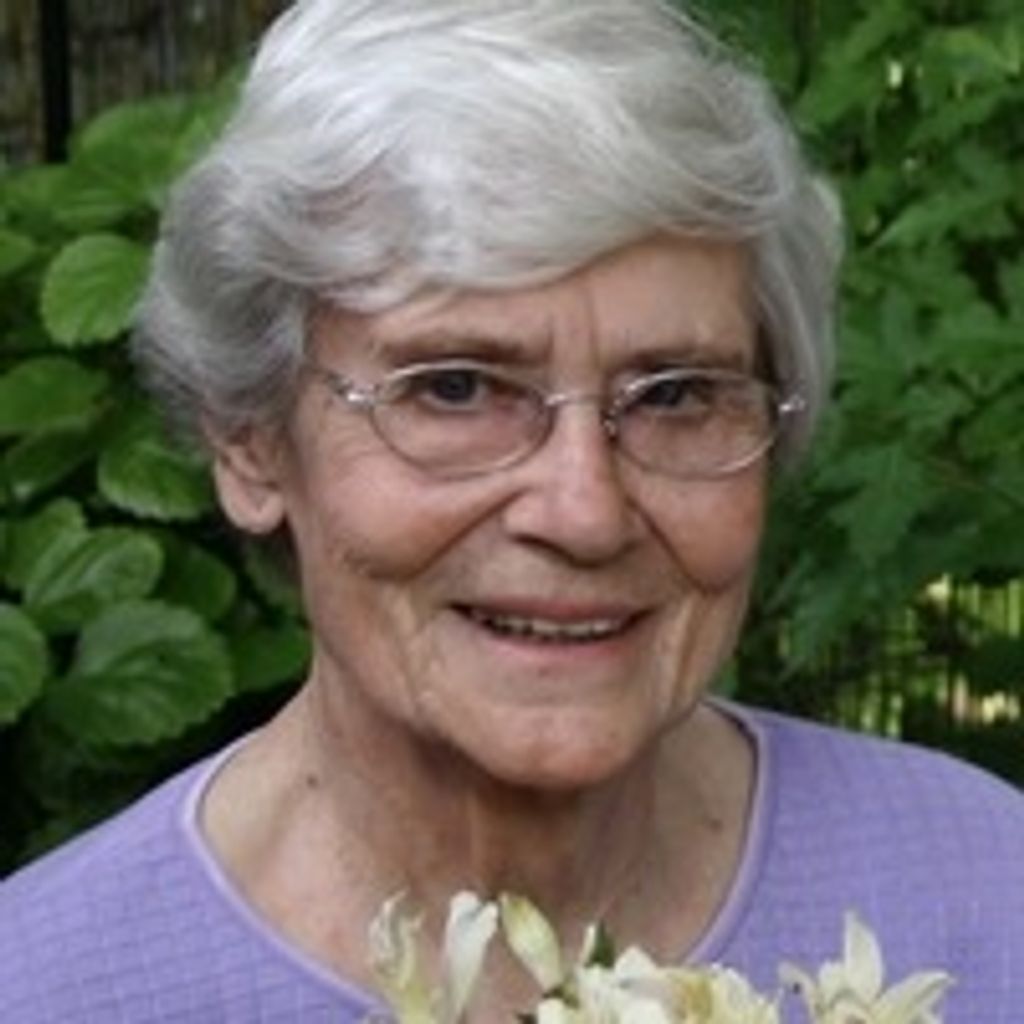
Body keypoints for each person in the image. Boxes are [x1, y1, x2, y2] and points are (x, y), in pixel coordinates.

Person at [2, 0, 1022, 1020]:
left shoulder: (985, 899)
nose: (584, 513)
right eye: (455, 388)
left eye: (675, 394)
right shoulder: (50, 988)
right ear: (251, 441)